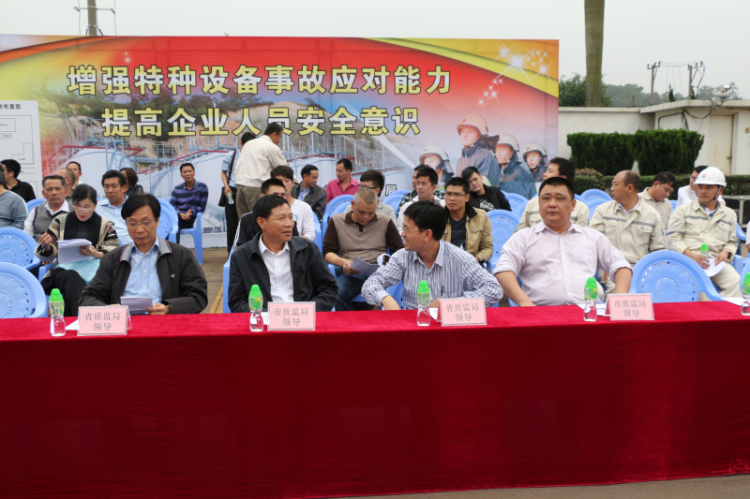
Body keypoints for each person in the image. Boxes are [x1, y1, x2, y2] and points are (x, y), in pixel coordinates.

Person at [494, 177, 632, 306]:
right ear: (539, 204)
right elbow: (503, 270)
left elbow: (621, 266)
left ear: (572, 205)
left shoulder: (592, 237)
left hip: (584, 313)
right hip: (540, 313)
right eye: (546, 198)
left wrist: (619, 301)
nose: (552, 204)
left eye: (560, 198)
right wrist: (526, 304)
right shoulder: (523, 238)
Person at [81, 194, 208, 314]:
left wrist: (169, 308)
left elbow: (198, 296)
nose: (139, 230)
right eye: (132, 223)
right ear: (125, 224)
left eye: (146, 223)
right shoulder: (112, 259)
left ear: (157, 221)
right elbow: (88, 297)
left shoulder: (181, 255)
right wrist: (107, 309)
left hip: (164, 324)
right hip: (124, 325)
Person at [362, 201, 503, 310]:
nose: (402, 234)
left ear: (427, 234)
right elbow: (371, 284)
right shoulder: (403, 257)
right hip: (415, 326)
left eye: (407, 229)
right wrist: (385, 298)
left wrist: (452, 303)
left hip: (449, 328)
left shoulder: (460, 259)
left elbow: (494, 289)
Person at [228, 194, 338, 312]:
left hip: (305, 318)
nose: (289, 224)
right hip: (264, 319)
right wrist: (267, 315)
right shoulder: (242, 256)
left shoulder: (307, 249)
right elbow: (237, 301)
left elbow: (329, 289)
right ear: (262, 222)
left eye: (290, 217)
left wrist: (307, 311)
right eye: (281, 218)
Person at [35, 184, 120, 317]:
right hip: (63, 271)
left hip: (93, 271)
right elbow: (50, 251)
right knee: (72, 277)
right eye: (78, 206)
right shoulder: (60, 221)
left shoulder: (105, 225)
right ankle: (85, 318)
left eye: (86, 207)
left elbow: (114, 250)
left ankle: (73, 318)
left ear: (95, 205)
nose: (82, 211)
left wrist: (95, 253)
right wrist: (46, 247)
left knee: (89, 284)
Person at [324, 189, 403, 311]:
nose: (366, 217)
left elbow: (398, 251)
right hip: (351, 270)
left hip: (378, 270)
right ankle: (351, 322)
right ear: (352, 205)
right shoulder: (337, 221)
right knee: (338, 293)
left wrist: (388, 262)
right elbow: (328, 253)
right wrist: (343, 262)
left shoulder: (384, 221)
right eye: (361, 212)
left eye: (371, 213)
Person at [667, 166, 741, 298]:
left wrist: (725, 252)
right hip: (688, 261)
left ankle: (723, 310)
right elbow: (673, 238)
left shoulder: (729, 214)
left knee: (736, 282)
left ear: (720, 190)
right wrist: (691, 256)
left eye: (709, 187)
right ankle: (714, 310)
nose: (703, 191)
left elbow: (732, 241)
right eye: (700, 187)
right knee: (701, 291)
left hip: (716, 263)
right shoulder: (682, 211)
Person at [590, 171, 667, 293]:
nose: (612, 188)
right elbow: (594, 245)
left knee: (647, 298)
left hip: (641, 272)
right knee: (619, 297)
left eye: (615, 184)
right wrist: (605, 267)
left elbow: (659, 251)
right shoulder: (602, 211)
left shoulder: (652, 215)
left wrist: (653, 275)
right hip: (612, 270)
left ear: (630, 188)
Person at [515, 157, 590, 231]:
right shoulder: (532, 203)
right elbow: (519, 233)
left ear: (562, 178)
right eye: (546, 171)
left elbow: (581, 237)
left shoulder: (581, 209)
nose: (544, 174)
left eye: (550, 171)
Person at [234, 123, 287, 219]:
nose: (279, 141)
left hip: (240, 188)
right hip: (255, 189)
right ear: (274, 134)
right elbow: (283, 169)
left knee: (244, 222)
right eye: (279, 137)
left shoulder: (249, 144)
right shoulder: (270, 146)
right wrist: (295, 182)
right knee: (259, 221)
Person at [233, 178, 299, 250]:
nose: (279, 198)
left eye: (283, 195)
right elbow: (239, 248)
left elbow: (296, 247)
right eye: (275, 195)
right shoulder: (247, 219)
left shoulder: (290, 222)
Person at [442, 177, 493, 264]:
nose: (451, 198)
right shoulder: (436, 215)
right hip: (444, 265)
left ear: (467, 197)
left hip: (471, 264)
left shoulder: (481, 216)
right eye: (448, 194)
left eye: (457, 194)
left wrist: (476, 259)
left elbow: (487, 248)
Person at [221, 132, 255, 252]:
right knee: (232, 225)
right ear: (241, 143)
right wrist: (226, 186)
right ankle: (231, 253)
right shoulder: (231, 155)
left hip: (249, 192)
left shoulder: (255, 156)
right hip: (232, 191)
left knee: (250, 223)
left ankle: (249, 251)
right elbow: (223, 172)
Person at [453, 113, 500, 186]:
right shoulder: (461, 160)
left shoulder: (485, 157)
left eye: (470, 131)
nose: (465, 135)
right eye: (463, 131)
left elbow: (482, 189)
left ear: (480, 135)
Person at [271, 165, 316, 240]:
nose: (284, 184)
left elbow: (311, 234)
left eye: (287, 181)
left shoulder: (304, 207)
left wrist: (294, 243)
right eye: (280, 181)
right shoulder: (267, 207)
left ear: (292, 183)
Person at [169, 163, 209, 244]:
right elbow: (172, 205)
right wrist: (180, 213)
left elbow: (202, 207)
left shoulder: (202, 187)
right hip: (177, 217)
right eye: (185, 172)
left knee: (172, 225)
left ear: (194, 172)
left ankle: (174, 249)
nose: (187, 174)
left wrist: (192, 212)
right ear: (181, 175)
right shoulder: (177, 189)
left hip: (189, 219)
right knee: (167, 223)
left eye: (189, 171)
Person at [397, 166, 445, 231]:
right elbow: (400, 230)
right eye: (418, 183)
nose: (419, 187)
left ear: (434, 187)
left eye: (423, 184)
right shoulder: (407, 206)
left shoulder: (443, 205)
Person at [24, 175, 70, 241]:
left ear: (65, 192)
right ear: (43, 194)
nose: (54, 193)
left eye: (58, 189)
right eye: (49, 189)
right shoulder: (36, 212)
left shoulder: (74, 211)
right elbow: (26, 236)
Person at [96, 170, 132, 245]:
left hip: (131, 247)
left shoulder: (135, 207)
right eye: (106, 187)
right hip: (105, 248)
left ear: (124, 188)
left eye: (114, 186)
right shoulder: (96, 208)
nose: (110, 190)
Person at [496, 133, 536, 199]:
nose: (498, 153)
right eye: (497, 150)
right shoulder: (498, 172)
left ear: (512, 152)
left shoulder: (520, 175)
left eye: (502, 149)